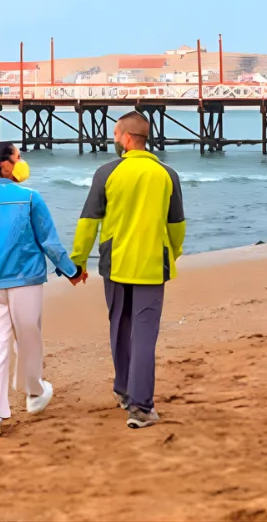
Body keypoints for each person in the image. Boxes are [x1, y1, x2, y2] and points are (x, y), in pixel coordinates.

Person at [70, 112, 185, 429]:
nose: (114, 139)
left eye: (116, 134)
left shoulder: (107, 172)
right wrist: (170, 254)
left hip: (116, 264)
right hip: (151, 264)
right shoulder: (167, 174)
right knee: (144, 334)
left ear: (127, 137)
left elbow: (88, 222)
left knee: (120, 327)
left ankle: (124, 391)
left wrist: (77, 263)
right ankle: (141, 407)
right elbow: (176, 225)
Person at [0, 140, 85, 438]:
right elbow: (50, 242)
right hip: (24, 281)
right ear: (5, 164)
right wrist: (71, 271)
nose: (23, 161)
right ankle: (34, 394)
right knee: (29, 337)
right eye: (19, 156)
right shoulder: (30, 198)